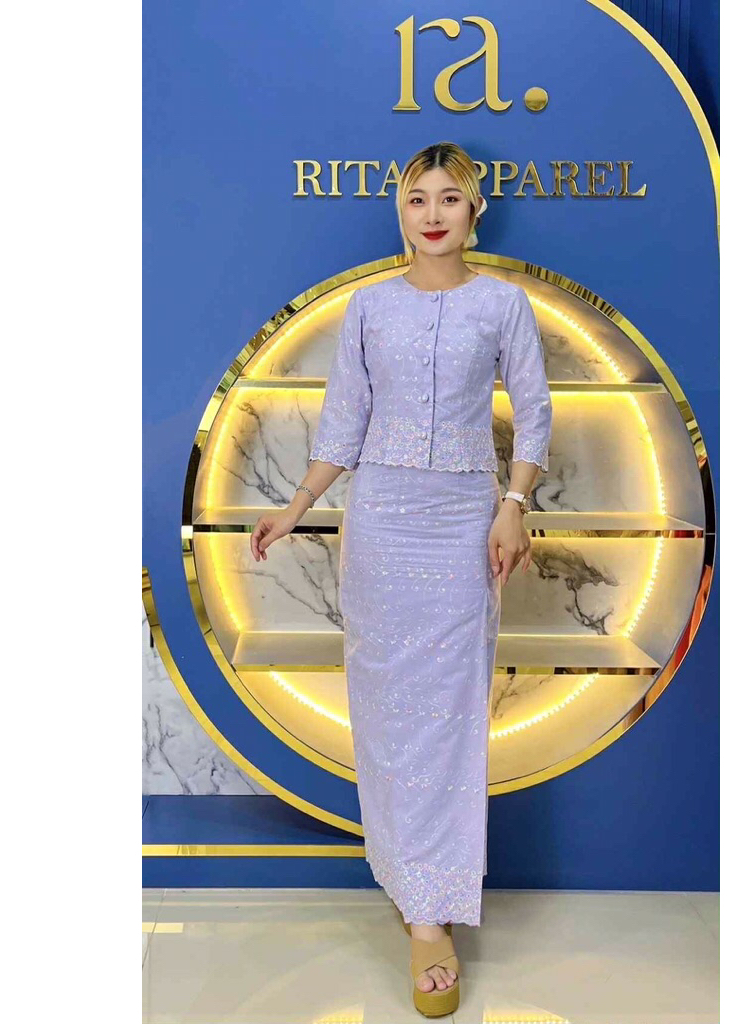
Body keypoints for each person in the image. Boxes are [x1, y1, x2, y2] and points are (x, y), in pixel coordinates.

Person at [250, 141, 552, 1017]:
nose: (432, 213)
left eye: (450, 197)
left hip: (463, 520)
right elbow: (344, 422)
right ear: (400, 211)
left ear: (475, 210)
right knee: (385, 707)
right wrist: (295, 505)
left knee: (450, 710)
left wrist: (513, 505)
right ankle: (411, 887)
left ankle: (436, 908)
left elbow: (534, 412)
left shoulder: (503, 304)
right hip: (381, 521)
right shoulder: (369, 307)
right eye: (417, 198)